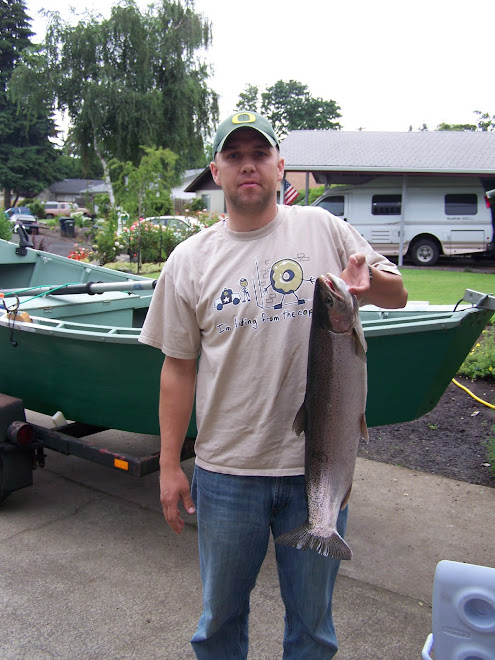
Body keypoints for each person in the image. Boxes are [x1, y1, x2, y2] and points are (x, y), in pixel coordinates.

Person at [139, 111, 408, 659]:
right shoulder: (188, 261)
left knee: (313, 627)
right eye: (234, 157)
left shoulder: (324, 229)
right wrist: (170, 465)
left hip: (320, 467)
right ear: (216, 172)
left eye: (258, 155)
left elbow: (396, 294)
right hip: (226, 474)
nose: (247, 166)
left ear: (280, 167)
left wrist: (369, 282)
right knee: (218, 621)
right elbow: (178, 367)